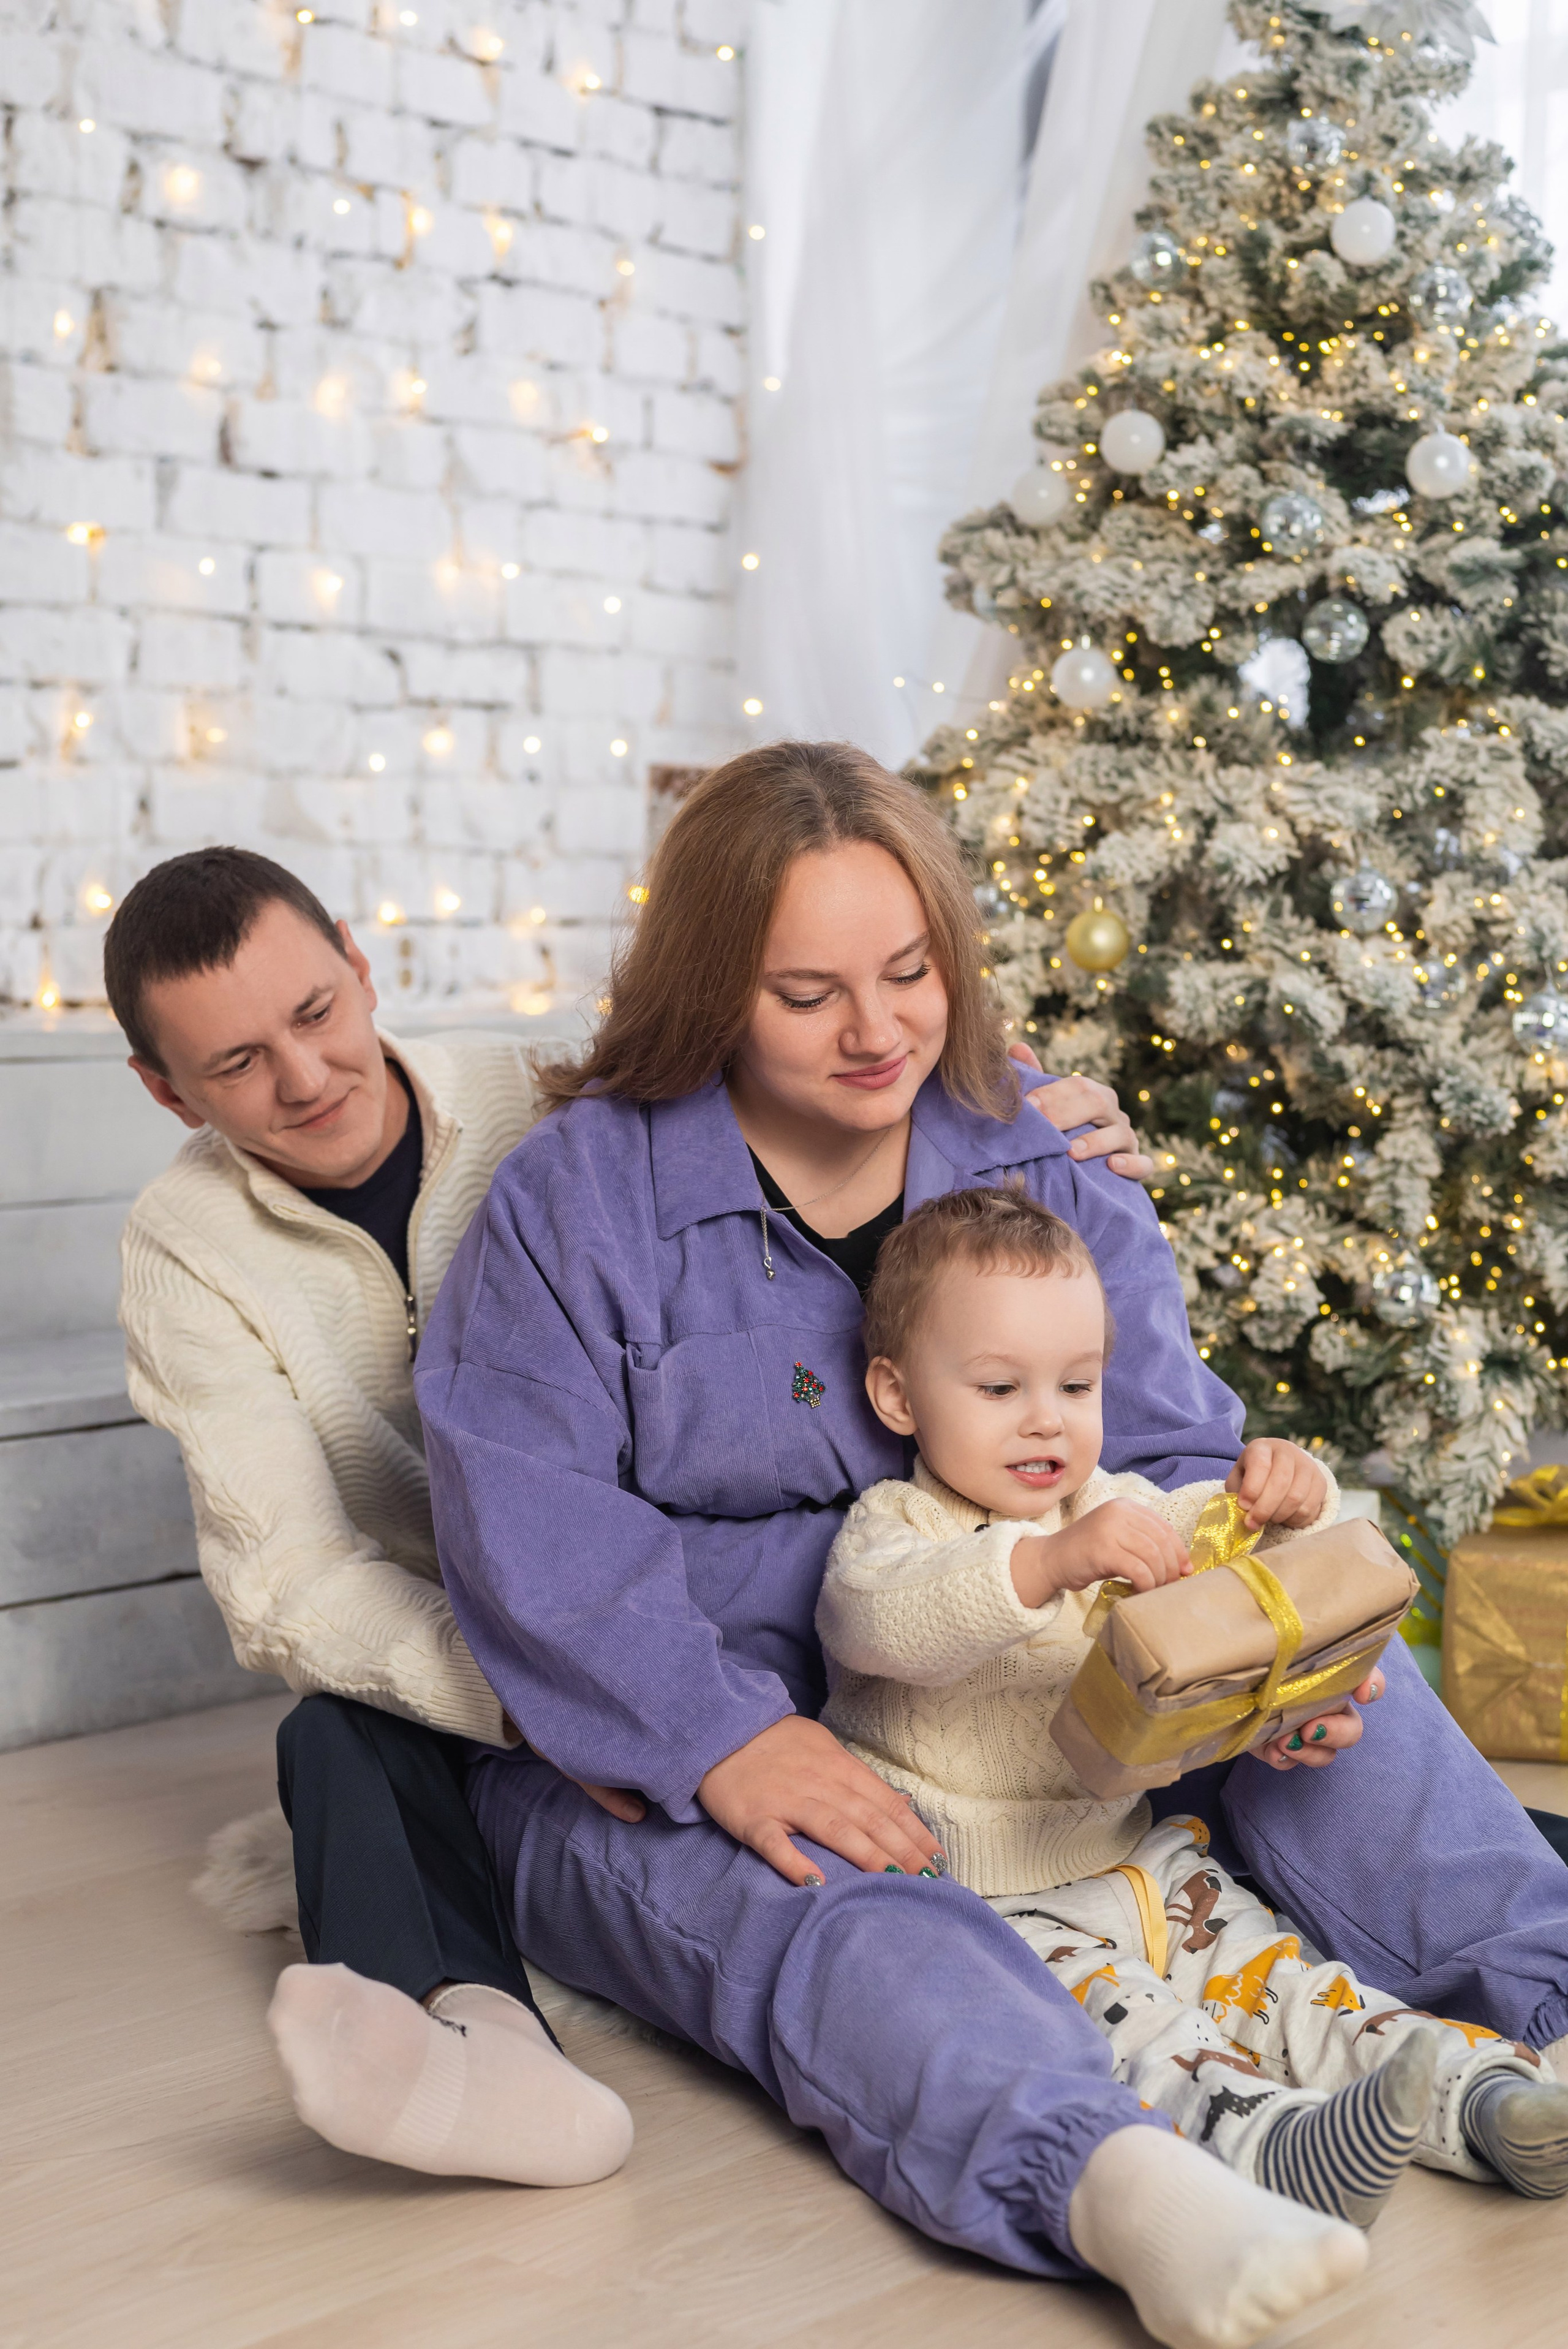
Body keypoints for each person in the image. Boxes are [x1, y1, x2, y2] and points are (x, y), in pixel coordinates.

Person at [414, 738, 1568, 2349]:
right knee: (840, 1897)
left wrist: (1263, 1657)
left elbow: (1167, 1451)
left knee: (1359, 1729)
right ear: (705, 985)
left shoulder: (1040, 1148)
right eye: (807, 992)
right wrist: (718, 1740)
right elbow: (522, 1523)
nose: (877, 1030)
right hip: (711, 1727)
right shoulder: (576, 1203)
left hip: (1063, 1682)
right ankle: (1116, 2184)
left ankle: (1550, 2009)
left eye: (909, 973)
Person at [105, 841, 1147, 2186]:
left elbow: (819, 1076)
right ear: (161, 1087)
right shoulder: (182, 1250)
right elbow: (290, 1584)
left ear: (362, 972)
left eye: (314, 1015)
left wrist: (1031, 1119)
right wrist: (552, 1694)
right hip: (465, 1659)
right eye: (237, 1064)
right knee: (337, 1740)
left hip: (678, 1579)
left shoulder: (542, 1098)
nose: (304, 1078)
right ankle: (473, 2046)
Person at [816, 1184, 1568, 2227]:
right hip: (993, 1905)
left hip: (1143, 1858)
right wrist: (1042, 1563)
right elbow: (878, 1621)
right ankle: (1276, 2147)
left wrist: (1289, 1494)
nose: (1048, 1417)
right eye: (1000, 1387)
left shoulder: (1113, 1504)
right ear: (898, 1397)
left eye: (1077, 1384)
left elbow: (1226, 1547)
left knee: (1293, 1982)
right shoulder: (895, 1526)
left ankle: (1480, 2095)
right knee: (1152, 2037)